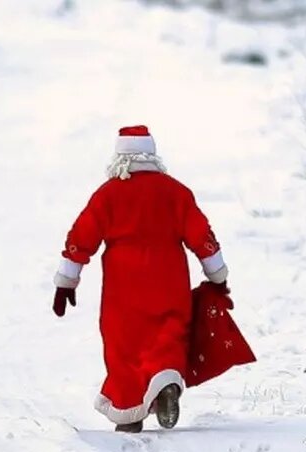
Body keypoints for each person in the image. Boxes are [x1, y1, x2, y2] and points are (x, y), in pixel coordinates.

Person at [52, 125, 228, 433]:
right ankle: (166, 383)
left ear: (120, 157)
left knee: (124, 345)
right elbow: (201, 233)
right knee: (169, 333)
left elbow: (82, 235)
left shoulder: (108, 194)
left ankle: (129, 413)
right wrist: (216, 273)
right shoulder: (175, 191)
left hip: (124, 286)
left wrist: (67, 281)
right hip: (169, 279)